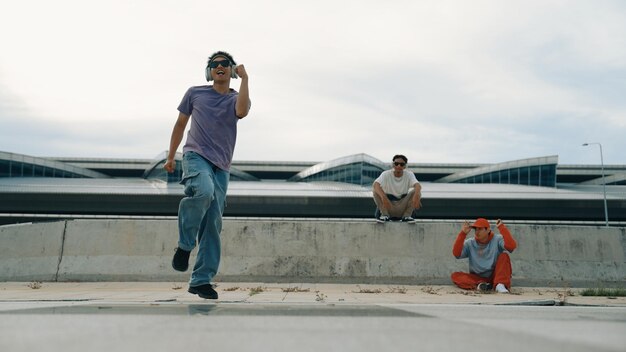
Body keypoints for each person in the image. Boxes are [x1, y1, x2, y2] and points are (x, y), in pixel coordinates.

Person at [164, 50, 250, 300]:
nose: (219, 66)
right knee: (203, 191)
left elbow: (242, 112)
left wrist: (245, 79)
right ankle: (184, 246)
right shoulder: (195, 93)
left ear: (231, 70)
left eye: (225, 64)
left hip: (221, 166)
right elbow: (180, 125)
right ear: (209, 71)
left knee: (213, 222)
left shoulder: (236, 98)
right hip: (195, 156)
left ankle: (201, 281)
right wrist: (171, 157)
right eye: (214, 64)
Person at [451, 218, 517, 293]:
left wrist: (502, 228)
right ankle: (482, 285)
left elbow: (511, 246)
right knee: (456, 276)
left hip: (495, 276)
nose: (477, 232)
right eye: (475, 229)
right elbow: (456, 254)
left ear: (488, 230)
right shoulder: (470, 243)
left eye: (480, 229)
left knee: (504, 256)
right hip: (478, 278)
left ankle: (500, 285)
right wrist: (463, 233)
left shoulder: (497, 239)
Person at [372, 154, 422, 223]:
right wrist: (383, 197)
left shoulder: (409, 174)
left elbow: (418, 186)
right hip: (387, 205)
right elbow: (375, 185)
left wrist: (416, 196)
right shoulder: (386, 174)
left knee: (416, 191)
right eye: (396, 163)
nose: (398, 166)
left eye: (401, 164)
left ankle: (407, 216)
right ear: (393, 165)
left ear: (405, 166)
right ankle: (384, 215)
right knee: (375, 190)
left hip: (402, 206)